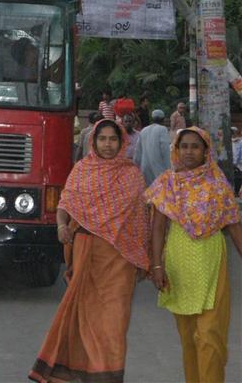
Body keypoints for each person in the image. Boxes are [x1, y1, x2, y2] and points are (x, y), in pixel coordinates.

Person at [29, 119, 149, 383]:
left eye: (113, 139)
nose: (108, 144)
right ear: (93, 142)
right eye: (102, 139)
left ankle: (108, 376)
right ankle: (76, 372)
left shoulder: (132, 175)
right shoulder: (82, 170)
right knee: (81, 315)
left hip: (120, 258)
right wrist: (61, 225)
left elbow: (141, 220)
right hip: (86, 250)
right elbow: (66, 203)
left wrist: (143, 257)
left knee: (114, 321)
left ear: (122, 143)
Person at [146, 126, 242, 383]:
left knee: (210, 335)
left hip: (212, 264)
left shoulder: (218, 183)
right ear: (176, 150)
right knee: (188, 338)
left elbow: (233, 224)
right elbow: (157, 227)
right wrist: (156, 266)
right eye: (184, 146)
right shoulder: (167, 183)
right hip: (178, 265)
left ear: (205, 151)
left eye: (195, 146)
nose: (189, 151)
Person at [133, 108, 171, 185]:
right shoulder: (163, 129)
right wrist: (169, 169)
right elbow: (165, 150)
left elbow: (138, 151)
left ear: (152, 119)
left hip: (145, 168)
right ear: (163, 120)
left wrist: (136, 166)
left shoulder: (144, 130)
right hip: (159, 168)